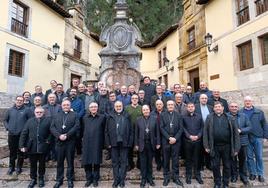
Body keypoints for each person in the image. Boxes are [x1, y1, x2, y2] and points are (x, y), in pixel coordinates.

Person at [203, 101, 240, 188]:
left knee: (227, 165)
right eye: (216, 107)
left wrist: (236, 148)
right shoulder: (209, 117)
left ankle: (225, 183)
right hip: (214, 146)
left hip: (227, 146)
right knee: (215, 166)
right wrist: (206, 146)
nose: (218, 108)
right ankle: (217, 183)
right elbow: (205, 132)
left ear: (223, 108)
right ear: (214, 109)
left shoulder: (230, 118)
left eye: (219, 107)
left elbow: (236, 134)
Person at [19, 107, 52, 188]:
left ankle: (41, 178)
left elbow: (51, 132)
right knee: (33, 164)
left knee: (42, 164)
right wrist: (21, 145)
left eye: (40, 112)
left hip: (43, 146)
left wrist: (48, 140)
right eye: (37, 112)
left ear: (43, 113)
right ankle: (33, 179)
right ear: (34, 113)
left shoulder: (48, 120)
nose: (39, 113)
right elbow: (24, 133)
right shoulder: (29, 121)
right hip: (32, 147)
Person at [50, 100, 80, 188]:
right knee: (59, 162)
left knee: (70, 162)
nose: (66, 106)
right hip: (59, 142)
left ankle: (70, 179)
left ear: (70, 106)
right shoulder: (56, 115)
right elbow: (52, 127)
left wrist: (67, 135)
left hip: (70, 142)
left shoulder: (74, 115)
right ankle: (59, 180)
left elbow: (77, 126)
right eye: (64, 105)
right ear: (61, 106)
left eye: (67, 105)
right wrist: (59, 135)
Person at [105, 101, 133, 188]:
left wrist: (130, 142)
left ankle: (122, 180)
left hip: (124, 143)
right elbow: (106, 131)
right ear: (114, 107)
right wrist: (108, 143)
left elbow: (131, 130)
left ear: (122, 106)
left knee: (124, 162)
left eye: (120, 106)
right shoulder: (110, 116)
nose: (118, 107)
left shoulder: (127, 115)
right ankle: (116, 180)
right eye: (116, 106)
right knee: (115, 162)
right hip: (113, 143)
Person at [241, 96, 268, 182]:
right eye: (246, 101)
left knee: (259, 156)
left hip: (258, 137)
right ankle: (253, 173)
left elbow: (264, 124)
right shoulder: (240, 112)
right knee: (249, 157)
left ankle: (260, 174)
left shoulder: (259, 112)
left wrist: (265, 136)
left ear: (252, 102)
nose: (248, 102)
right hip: (246, 137)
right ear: (244, 102)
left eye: (249, 101)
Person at [135, 105, 160, 188]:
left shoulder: (155, 119)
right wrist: (136, 144)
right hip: (142, 144)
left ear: (149, 110)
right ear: (142, 111)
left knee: (149, 162)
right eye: (144, 110)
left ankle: (150, 178)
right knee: (143, 163)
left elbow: (157, 132)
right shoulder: (138, 120)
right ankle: (143, 179)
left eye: (147, 109)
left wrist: (158, 143)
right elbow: (136, 134)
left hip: (151, 143)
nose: (146, 111)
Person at [160, 100, 183, 187]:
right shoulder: (162, 115)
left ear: (174, 106)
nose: (170, 106)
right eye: (168, 104)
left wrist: (175, 138)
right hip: (166, 141)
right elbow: (161, 128)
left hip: (176, 141)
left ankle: (176, 177)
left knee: (175, 160)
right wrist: (169, 138)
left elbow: (181, 128)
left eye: (171, 104)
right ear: (166, 106)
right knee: (166, 160)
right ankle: (166, 177)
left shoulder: (178, 115)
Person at [82, 102, 106, 187]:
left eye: (95, 107)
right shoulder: (84, 118)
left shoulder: (102, 117)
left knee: (96, 162)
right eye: (91, 107)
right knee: (86, 162)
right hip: (87, 142)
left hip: (97, 142)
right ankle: (89, 179)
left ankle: (95, 179)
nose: (93, 108)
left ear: (97, 108)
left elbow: (104, 130)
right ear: (89, 108)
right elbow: (82, 129)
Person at [4, 96, 29, 175]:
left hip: (22, 135)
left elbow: (30, 121)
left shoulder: (27, 110)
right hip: (11, 135)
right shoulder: (10, 110)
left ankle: (19, 167)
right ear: (15, 101)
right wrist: (8, 128)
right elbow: (5, 120)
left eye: (21, 100)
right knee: (12, 152)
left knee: (21, 152)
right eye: (18, 100)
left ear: (23, 101)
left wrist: (25, 130)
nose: (19, 101)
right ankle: (11, 167)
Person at [228, 102, 251, 186]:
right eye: (232, 106)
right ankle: (234, 176)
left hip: (243, 141)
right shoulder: (226, 116)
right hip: (231, 142)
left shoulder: (244, 116)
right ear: (229, 108)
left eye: (235, 106)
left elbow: (249, 127)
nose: (234, 108)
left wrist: (241, 130)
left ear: (238, 108)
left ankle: (243, 176)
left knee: (242, 160)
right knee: (232, 160)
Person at [182, 102, 204, 184]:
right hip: (187, 141)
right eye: (189, 107)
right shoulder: (183, 117)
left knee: (197, 159)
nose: (191, 108)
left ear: (194, 108)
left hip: (198, 141)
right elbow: (183, 128)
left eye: (192, 106)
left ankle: (198, 175)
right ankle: (188, 176)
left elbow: (202, 128)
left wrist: (198, 136)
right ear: (187, 108)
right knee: (188, 160)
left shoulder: (199, 116)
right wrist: (189, 136)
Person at [125, 94, 142, 171]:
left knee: (140, 147)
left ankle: (139, 163)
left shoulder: (141, 108)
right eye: (133, 98)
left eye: (136, 98)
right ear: (131, 99)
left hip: (140, 130)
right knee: (129, 148)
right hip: (129, 131)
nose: (134, 99)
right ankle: (130, 164)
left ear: (138, 99)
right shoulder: (127, 108)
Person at [43, 93, 61, 161]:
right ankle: (47, 156)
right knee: (47, 142)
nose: (52, 99)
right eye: (50, 97)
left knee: (55, 143)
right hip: (47, 128)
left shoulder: (60, 107)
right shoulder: (44, 107)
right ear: (48, 99)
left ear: (55, 99)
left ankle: (54, 156)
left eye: (53, 97)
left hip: (56, 128)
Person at [151, 100, 165, 171]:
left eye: (160, 104)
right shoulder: (152, 113)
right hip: (156, 134)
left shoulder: (166, 112)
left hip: (165, 134)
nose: (159, 105)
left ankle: (164, 163)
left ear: (163, 105)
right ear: (155, 105)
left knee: (165, 150)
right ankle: (158, 164)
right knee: (157, 151)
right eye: (157, 104)